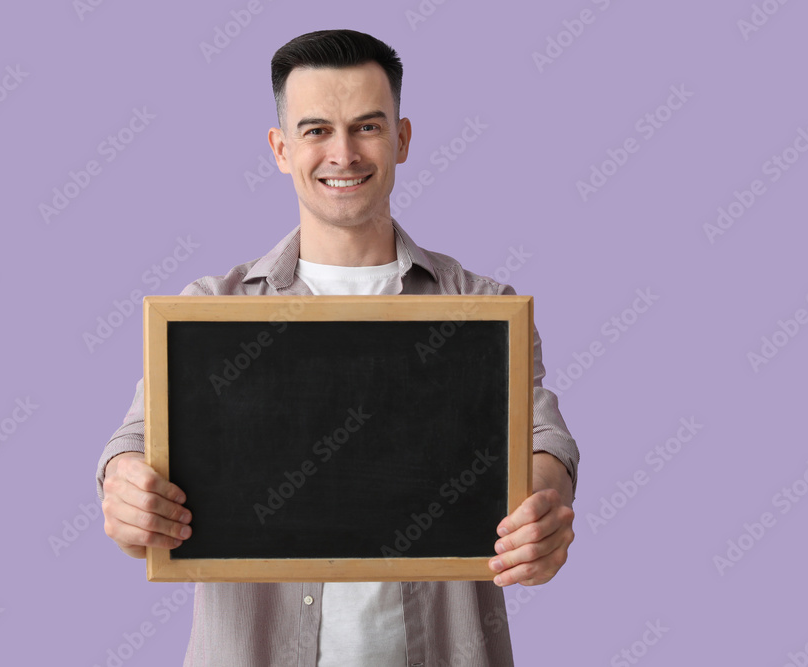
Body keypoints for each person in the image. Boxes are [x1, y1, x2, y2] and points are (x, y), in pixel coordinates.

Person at [96, 29, 579, 667]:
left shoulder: (477, 305)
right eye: (317, 129)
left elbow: (543, 438)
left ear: (402, 139)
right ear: (280, 148)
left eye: (368, 127)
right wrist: (126, 488)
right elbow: (136, 441)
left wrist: (540, 508)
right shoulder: (214, 308)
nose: (343, 154)